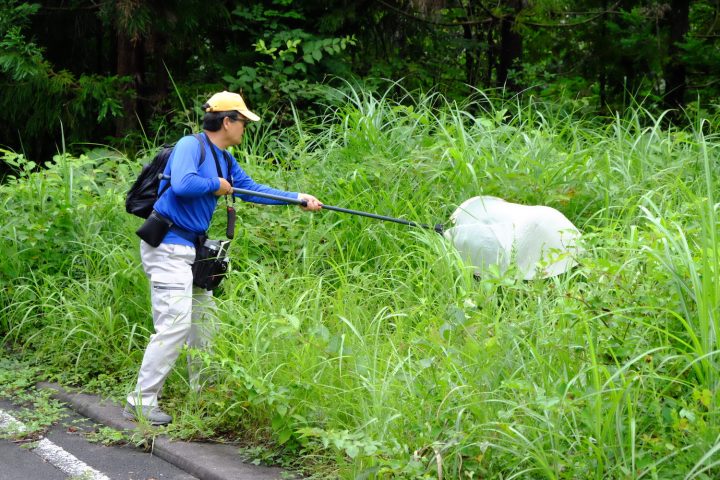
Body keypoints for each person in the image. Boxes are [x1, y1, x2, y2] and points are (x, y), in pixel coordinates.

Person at [124, 91, 322, 425]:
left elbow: (250, 189)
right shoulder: (191, 146)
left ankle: (205, 393)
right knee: (174, 323)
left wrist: (296, 198)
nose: (245, 128)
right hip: (168, 246)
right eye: (243, 121)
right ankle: (141, 401)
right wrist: (215, 184)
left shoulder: (225, 159)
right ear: (227, 121)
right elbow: (184, 185)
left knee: (204, 324)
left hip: (193, 250)